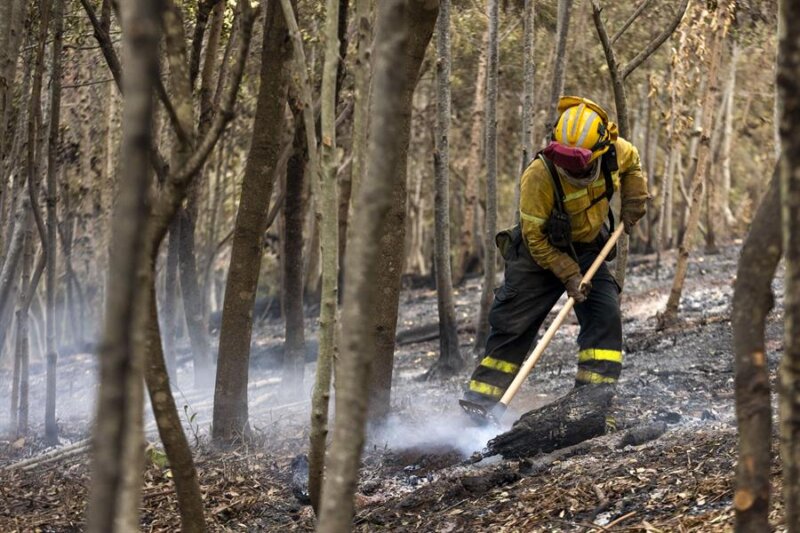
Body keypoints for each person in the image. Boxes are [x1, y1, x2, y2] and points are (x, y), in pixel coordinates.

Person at [462, 96, 648, 414]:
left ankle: (590, 404)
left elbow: (632, 165)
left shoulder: (616, 151)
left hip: (588, 248)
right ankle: (481, 405)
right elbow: (534, 237)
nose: (571, 169)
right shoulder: (539, 176)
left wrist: (634, 198)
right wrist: (568, 273)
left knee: (605, 316)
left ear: (601, 149)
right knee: (512, 326)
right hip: (538, 256)